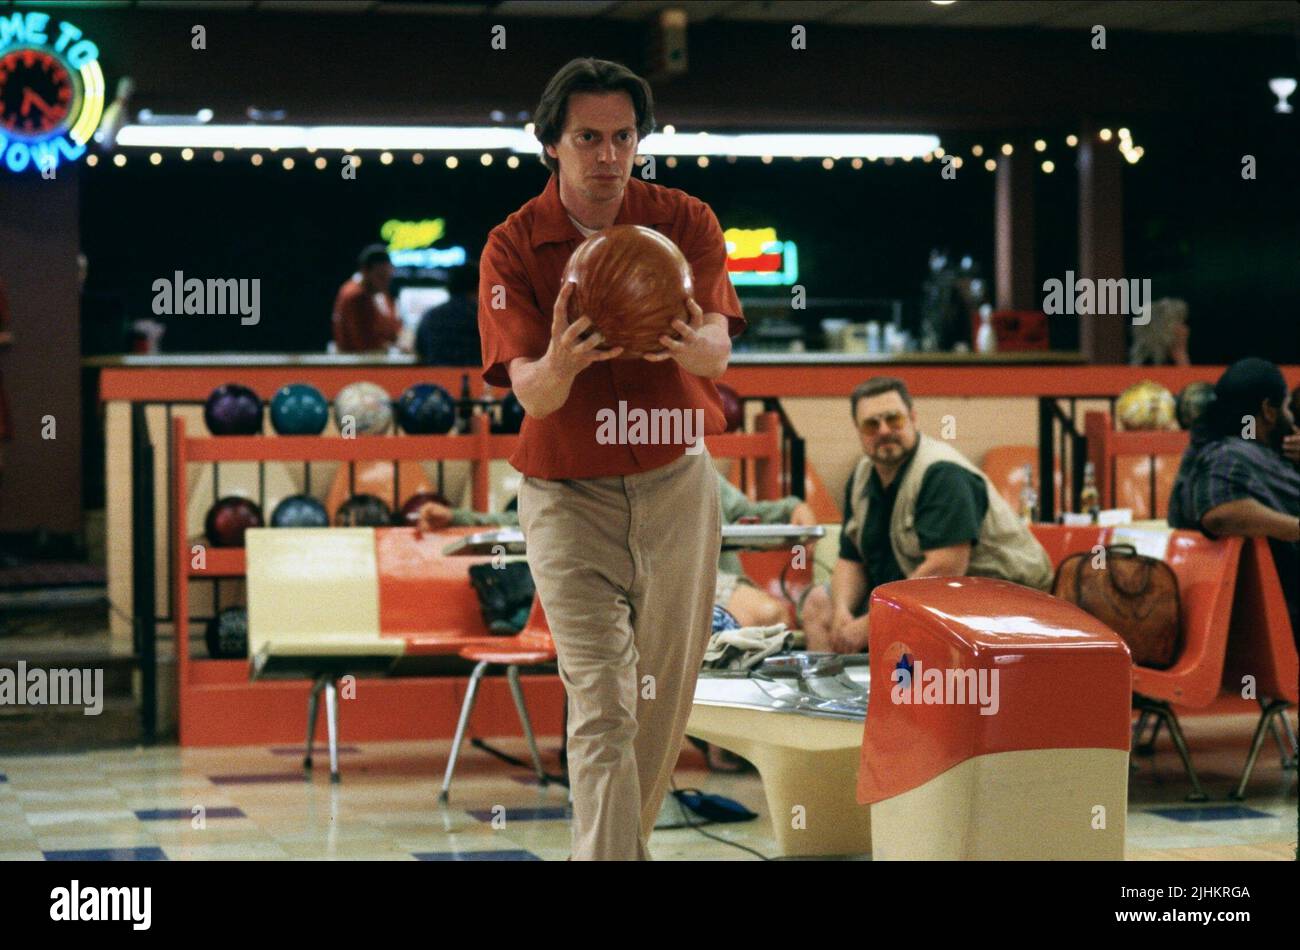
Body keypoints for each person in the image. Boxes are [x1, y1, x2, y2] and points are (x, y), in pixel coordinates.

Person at [470, 57, 743, 861]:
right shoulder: (513, 248)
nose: (608, 155)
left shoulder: (686, 220)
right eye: (587, 137)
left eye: (623, 136)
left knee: (660, 703)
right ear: (551, 143)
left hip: (675, 487)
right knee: (603, 703)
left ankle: (621, 851)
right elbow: (533, 394)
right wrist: (561, 360)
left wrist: (697, 344)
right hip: (567, 497)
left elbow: (719, 350)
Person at [801, 376, 1053, 654]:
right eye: (871, 424)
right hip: (921, 599)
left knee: (912, 625)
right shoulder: (861, 477)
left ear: (913, 418)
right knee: (818, 604)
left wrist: (871, 623)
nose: (884, 431)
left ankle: (895, 694)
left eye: (894, 420)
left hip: (997, 603)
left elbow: (944, 571)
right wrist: (842, 613)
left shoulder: (943, 474)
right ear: (858, 431)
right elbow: (852, 559)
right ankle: (835, 695)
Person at [417, 472, 815, 628]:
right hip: (638, 590)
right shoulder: (595, 467)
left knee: (775, 618)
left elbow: (747, 514)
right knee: (766, 615)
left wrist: (792, 506)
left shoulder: (695, 464)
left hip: (698, 582)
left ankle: (727, 741)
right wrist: (457, 515)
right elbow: (528, 523)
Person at [1168, 358, 1300, 641]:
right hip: (1277, 627)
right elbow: (1218, 512)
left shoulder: (1218, 451)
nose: (1291, 419)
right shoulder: (1226, 456)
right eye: (1287, 407)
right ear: (1268, 410)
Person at [332, 244, 401, 353]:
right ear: (365, 272)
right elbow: (365, 343)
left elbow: (394, 328)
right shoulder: (354, 295)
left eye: (388, 277)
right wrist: (396, 346)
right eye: (381, 276)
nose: (385, 283)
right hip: (358, 365)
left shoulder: (380, 291)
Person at [416, 261, 481, 366]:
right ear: (479, 287)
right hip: (474, 379)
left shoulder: (430, 316)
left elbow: (421, 351)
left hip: (437, 378)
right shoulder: (482, 319)